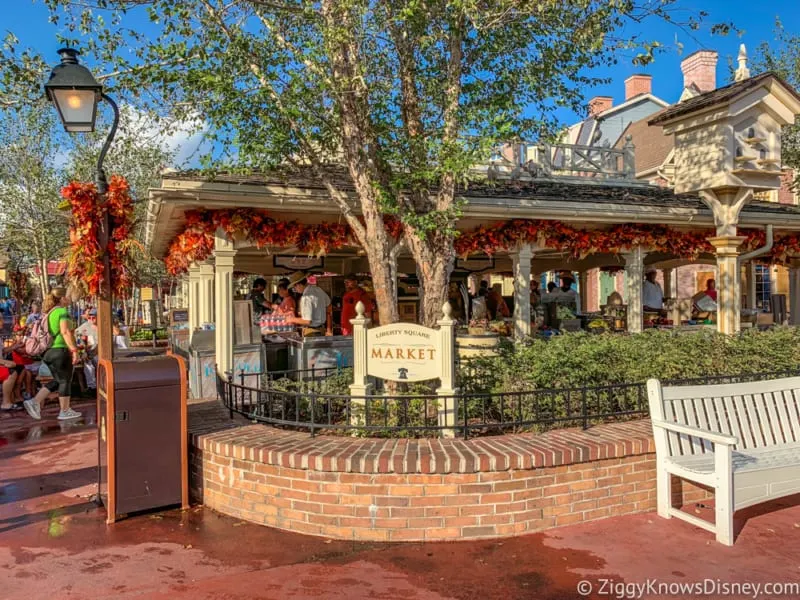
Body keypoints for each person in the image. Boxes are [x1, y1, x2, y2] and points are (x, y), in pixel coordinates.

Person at [23, 288, 82, 421]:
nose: (69, 299)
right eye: (67, 296)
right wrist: (74, 350)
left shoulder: (50, 313)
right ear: (61, 299)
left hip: (49, 352)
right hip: (60, 350)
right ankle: (65, 411)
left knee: (58, 380)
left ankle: (35, 401)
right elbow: (65, 332)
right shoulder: (62, 311)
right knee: (65, 380)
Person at [286, 272, 332, 337]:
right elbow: (329, 307)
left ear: (298, 284)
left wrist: (291, 319)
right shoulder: (318, 289)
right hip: (322, 329)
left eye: (294, 287)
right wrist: (328, 329)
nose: (295, 289)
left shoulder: (306, 297)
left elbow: (307, 321)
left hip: (312, 332)